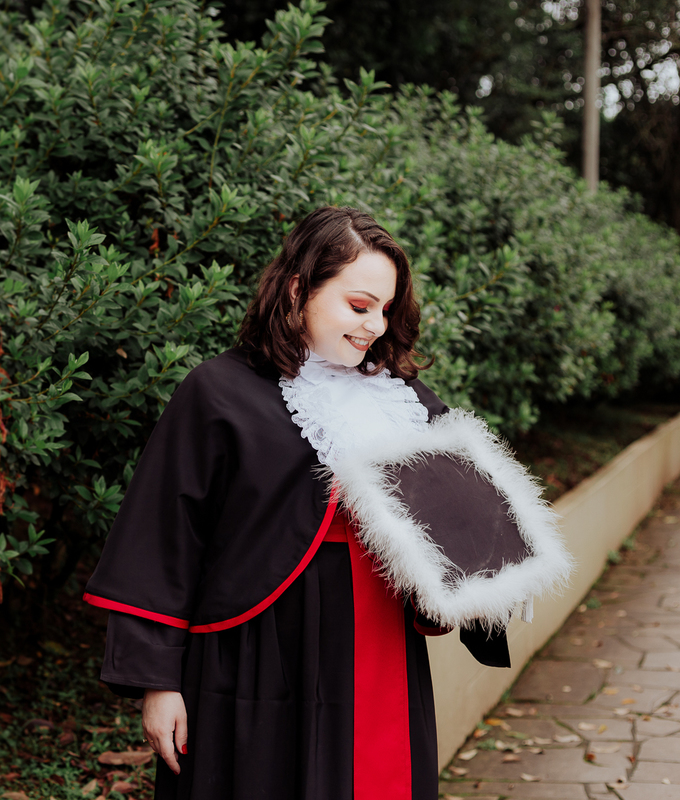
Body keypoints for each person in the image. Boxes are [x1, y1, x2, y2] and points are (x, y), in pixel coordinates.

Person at [83, 206, 511, 800]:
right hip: (252, 651)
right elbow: (162, 542)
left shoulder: (405, 401)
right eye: (358, 306)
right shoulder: (217, 391)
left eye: (386, 310)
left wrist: (484, 582)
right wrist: (158, 683)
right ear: (296, 290)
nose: (374, 328)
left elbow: (467, 531)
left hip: (379, 642)